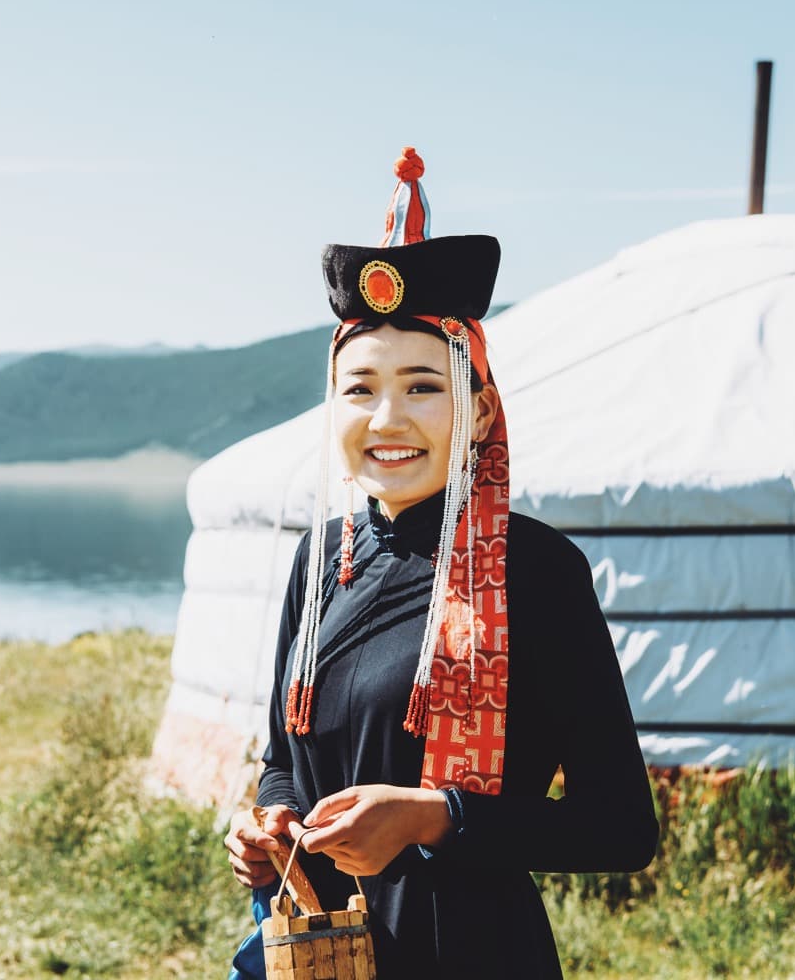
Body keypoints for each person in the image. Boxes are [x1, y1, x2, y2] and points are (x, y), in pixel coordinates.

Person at [223, 147, 658, 979]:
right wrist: (269, 825)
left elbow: (621, 828)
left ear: (478, 405)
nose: (389, 417)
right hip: (321, 951)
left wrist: (435, 817)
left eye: (423, 386)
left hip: (471, 954)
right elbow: (286, 760)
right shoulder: (321, 560)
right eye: (360, 388)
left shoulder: (534, 569)